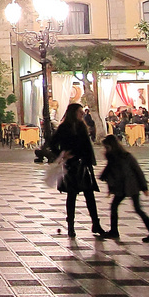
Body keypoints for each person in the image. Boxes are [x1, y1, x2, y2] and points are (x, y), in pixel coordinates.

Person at [50, 102, 105, 240]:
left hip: (84, 164)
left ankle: (95, 223)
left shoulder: (81, 126)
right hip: (71, 165)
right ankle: (71, 226)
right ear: (73, 113)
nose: (82, 114)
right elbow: (52, 143)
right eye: (80, 112)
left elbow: (87, 146)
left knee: (89, 195)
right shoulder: (64, 127)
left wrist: (90, 161)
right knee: (72, 195)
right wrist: (62, 155)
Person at [99, 134, 149, 241]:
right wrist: (109, 187)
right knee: (114, 207)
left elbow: (138, 171)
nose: (105, 149)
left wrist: (144, 187)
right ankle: (114, 231)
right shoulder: (112, 158)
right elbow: (110, 174)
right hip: (122, 188)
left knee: (138, 209)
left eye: (106, 147)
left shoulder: (126, 156)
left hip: (131, 186)